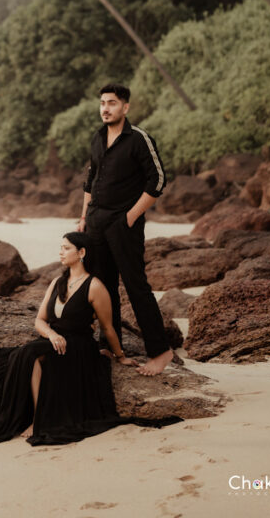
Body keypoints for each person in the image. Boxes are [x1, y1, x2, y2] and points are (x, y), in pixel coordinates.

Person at [0, 232, 181, 445]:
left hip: (80, 347)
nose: (61, 252)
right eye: (60, 247)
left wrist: (119, 356)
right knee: (15, 357)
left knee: (30, 355)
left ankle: (40, 420)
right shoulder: (56, 283)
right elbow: (39, 320)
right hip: (55, 340)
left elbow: (108, 327)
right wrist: (51, 333)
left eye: (66, 248)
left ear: (81, 253)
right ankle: (28, 415)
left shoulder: (95, 286)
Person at [78, 83, 174, 376]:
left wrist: (130, 217)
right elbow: (90, 181)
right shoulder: (97, 137)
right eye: (103, 103)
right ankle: (110, 344)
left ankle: (160, 351)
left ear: (125, 107)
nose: (105, 108)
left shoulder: (139, 139)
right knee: (102, 288)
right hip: (95, 223)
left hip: (123, 225)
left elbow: (157, 181)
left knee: (136, 287)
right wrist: (83, 219)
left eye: (112, 103)